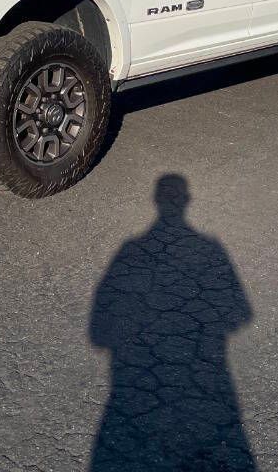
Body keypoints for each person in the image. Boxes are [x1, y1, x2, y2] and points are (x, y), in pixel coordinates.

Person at [89, 174, 256, 471]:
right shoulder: (211, 248)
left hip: (128, 381)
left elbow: (98, 334)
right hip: (210, 375)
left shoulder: (129, 249)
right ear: (187, 201)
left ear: (155, 201)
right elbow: (241, 314)